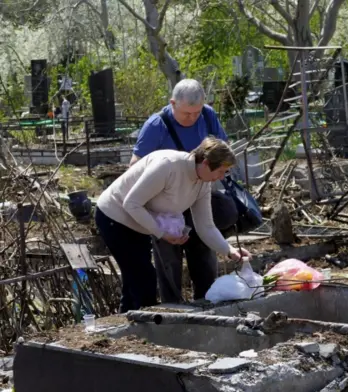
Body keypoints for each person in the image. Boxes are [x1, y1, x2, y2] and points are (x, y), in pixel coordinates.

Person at [95, 137, 251, 313]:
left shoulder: (202, 184)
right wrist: (161, 233)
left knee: (135, 279)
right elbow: (131, 203)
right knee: (143, 278)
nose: (221, 177)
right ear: (206, 163)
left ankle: (127, 328)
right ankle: (145, 328)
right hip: (115, 217)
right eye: (221, 171)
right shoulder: (168, 166)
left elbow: (205, 226)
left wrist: (229, 251)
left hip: (139, 222)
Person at [130, 79, 239, 304]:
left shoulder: (208, 116)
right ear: (172, 103)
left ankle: (208, 302)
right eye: (186, 113)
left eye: (195, 113)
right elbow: (135, 166)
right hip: (165, 206)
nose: (191, 118)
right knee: (169, 257)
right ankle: (173, 308)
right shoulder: (156, 125)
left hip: (197, 196)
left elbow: (223, 153)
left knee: (205, 249)